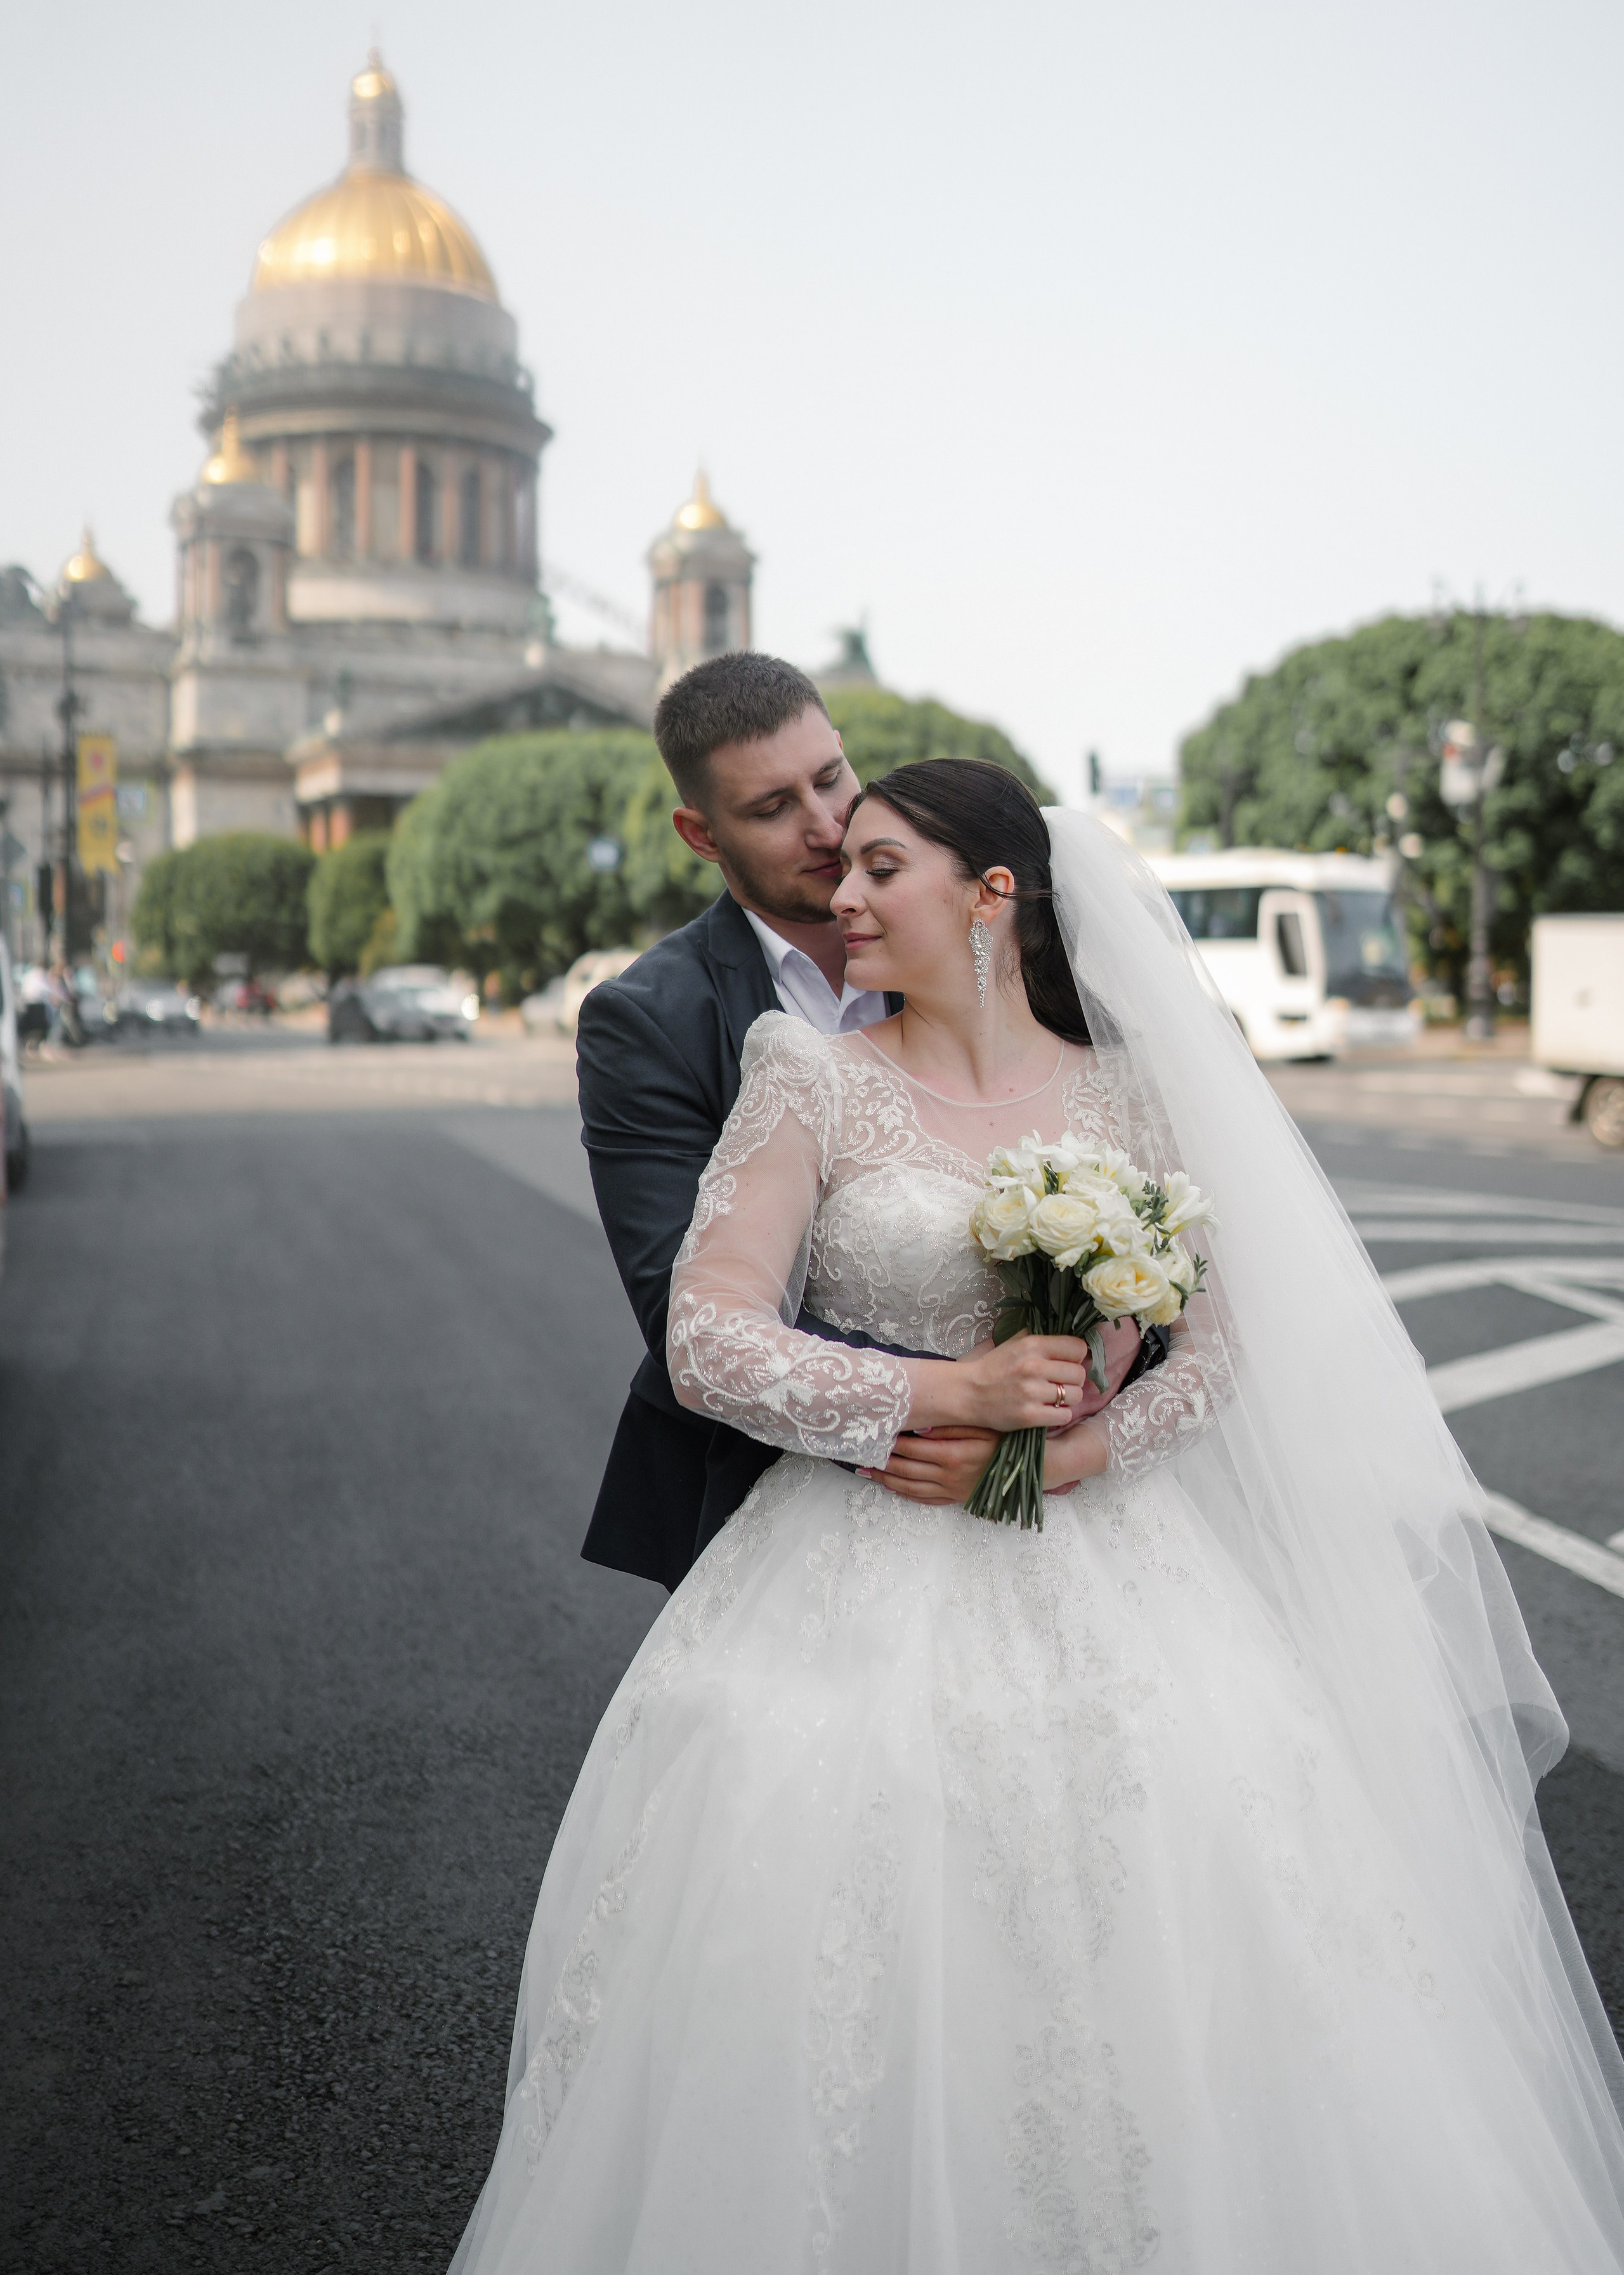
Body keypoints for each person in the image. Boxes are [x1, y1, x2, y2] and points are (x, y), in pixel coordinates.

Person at [454, 760, 1624, 2271]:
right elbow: (709, 1339)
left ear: (990, 895)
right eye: (840, 869)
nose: (843, 897)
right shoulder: (805, 1074)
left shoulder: (1130, 1091)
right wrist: (948, 1401)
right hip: (857, 1568)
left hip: (1125, 1572)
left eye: (881, 868)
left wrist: (1078, 1455)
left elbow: (1222, 1343)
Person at [575, 653, 1155, 1590]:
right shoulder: (649, 1021)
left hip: (1079, 1492)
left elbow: (1159, 1237)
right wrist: (965, 1399)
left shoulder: (1049, 980)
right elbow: (685, 1308)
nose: (824, 827)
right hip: (804, 1505)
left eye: (831, 779)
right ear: (701, 832)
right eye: (770, 809)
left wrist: (1080, 1393)